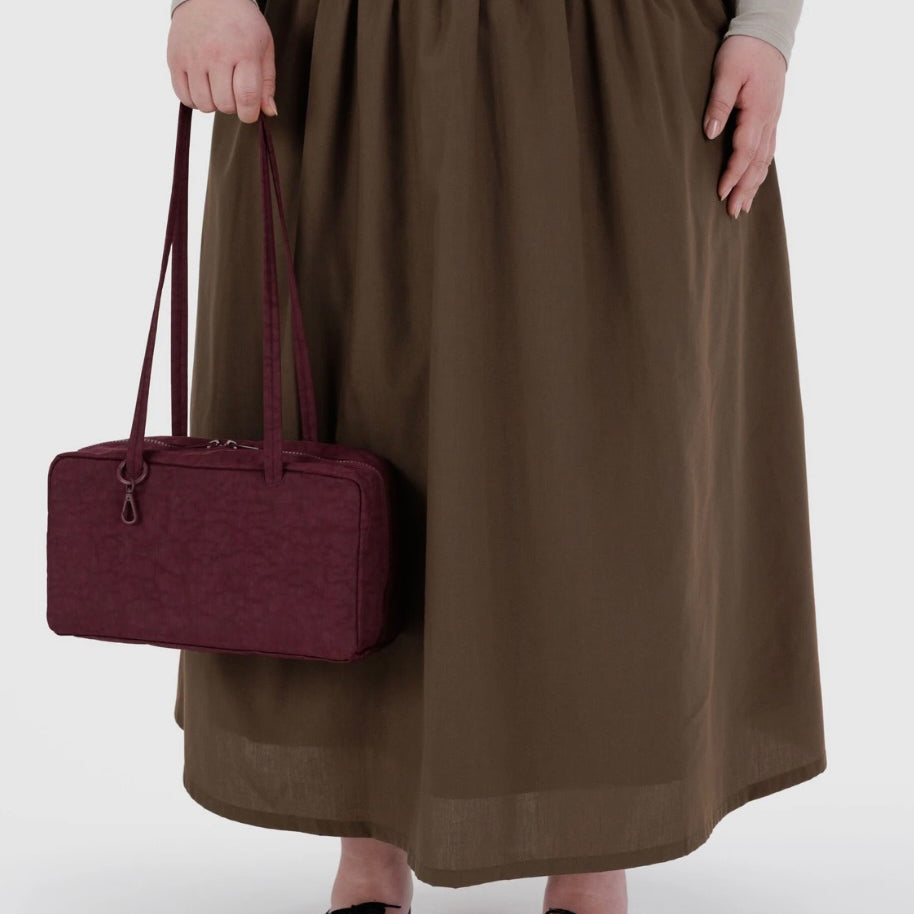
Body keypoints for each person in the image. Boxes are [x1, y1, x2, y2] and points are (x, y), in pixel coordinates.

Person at [166, 2, 826, 912]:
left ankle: (595, 853)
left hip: (618, 60)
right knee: (348, 453)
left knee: (615, 461)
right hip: (345, 54)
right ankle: (367, 850)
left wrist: (767, 26)